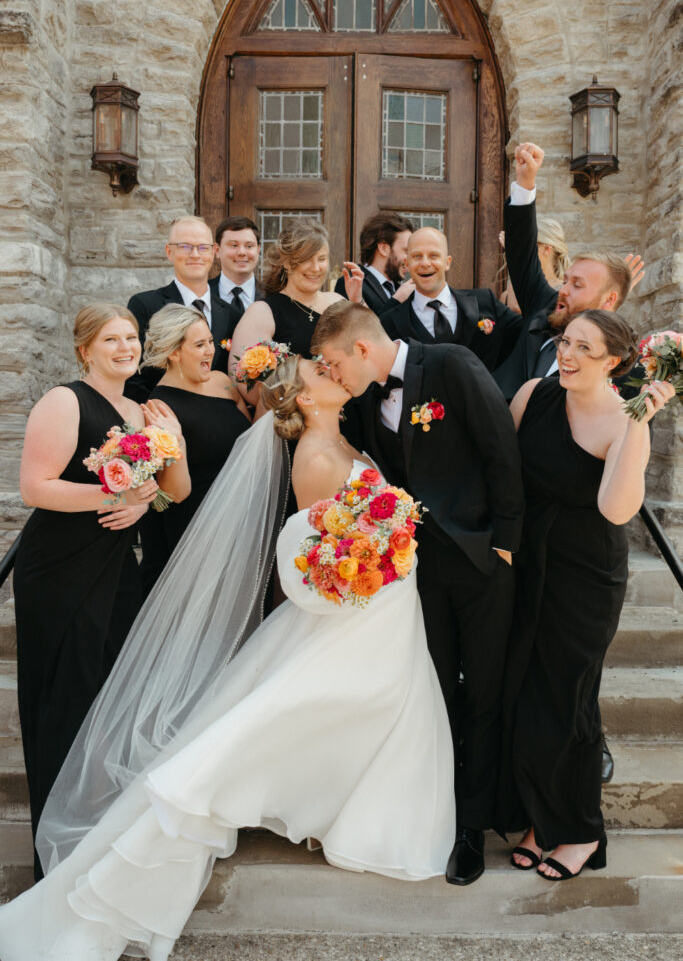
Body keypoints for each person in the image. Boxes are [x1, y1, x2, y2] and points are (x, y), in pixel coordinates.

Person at [0, 356, 455, 961]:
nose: (336, 373)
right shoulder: (316, 457)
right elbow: (311, 552)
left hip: (387, 612)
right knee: (287, 721)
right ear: (304, 395)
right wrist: (369, 562)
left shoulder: (347, 435)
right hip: (356, 608)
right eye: (322, 370)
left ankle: (346, 810)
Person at [312, 301, 525, 887]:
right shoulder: (361, 402)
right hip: (416, 571)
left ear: (359, 349)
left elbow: (499, 446)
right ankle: (441, 814)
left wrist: (505, 542)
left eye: (332, 363)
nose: (332, 375)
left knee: (483, 693)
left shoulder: (451, 364)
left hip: (481, 560)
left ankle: (473, 829)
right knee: (434, 692)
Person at [12, 303, 190, 881]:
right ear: (85, 349)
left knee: (114, 698)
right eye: (110, 339)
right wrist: (116, 500)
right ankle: (54, 860)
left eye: (131, 338)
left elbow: (166, 494)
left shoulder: (142, 411)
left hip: (116, 568)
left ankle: (96, 837)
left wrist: (171, 450)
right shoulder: (64, 401)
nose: (125, 348)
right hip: (58, 570)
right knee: (65, 699)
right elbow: (35, 488)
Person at [499, 310, 675, 881]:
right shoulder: (533, 394)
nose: (567, 354)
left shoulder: (625, 421)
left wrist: (640, 422)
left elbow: (617, 510)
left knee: (567, 698)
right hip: (525, 563)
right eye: (564, 341)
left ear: (615, 363)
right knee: (523, 691)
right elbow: (502, 473)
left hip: (584, 577)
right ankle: (536, 817)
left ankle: (577, 831)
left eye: (584, 347)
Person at [493, 143, 643, 402]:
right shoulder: (544, 306)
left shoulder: (626, 369)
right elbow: (522, 256)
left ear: (609, 300)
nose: (562, 290)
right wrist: (525, 183)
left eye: (577, 285)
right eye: (565, 281)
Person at [138, 304, 252, 593]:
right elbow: (172, 493)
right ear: (174, 352)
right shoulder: (159, 408)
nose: (210, 351)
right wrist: (179, 444)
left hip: (242, 514)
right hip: (200, 527)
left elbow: (251, 437)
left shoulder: (223, 382)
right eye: (200, 345)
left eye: (211, 342)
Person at [227, 218, 350, 408]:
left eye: (322, 259)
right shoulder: (263, 312)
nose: (316, 268)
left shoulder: (339, 302)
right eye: (306, 260)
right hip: (294, 420)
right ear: (286, 262)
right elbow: (244, 383)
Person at [125, 216, 241, 402]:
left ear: (214, 252)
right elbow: (132, 372)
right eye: (185, 247)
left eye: (203, 247)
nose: (195, 254)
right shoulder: (145, 305)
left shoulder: (232, 314)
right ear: (169, 252)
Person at [380, 227, 523, 372]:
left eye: (433, 255)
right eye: (417, 256)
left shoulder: (485, 301)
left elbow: (528, 326)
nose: (425, 263)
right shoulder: (390, 322)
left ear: (447, 262)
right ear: (407, 264)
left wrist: (517, 262)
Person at [333, 211, 415, 316]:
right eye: (406, 251)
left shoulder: (400, 290)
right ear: (383, 248)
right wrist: (396, 300)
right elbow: (357, 330)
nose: (410, 259)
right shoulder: (352, 283)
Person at [499, 216, 570, 313]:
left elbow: (517, 307)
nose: (521, 250)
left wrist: (514, 259)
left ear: (546, 249)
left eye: (527, 244)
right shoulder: (506, 296)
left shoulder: (563, 293)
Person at [209, 215, 264, 314]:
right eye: (234, 245)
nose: (242, 252)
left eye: (249, 246)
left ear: (258, 250)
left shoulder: (273, 295)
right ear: (217, 250)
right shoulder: (201, 294)